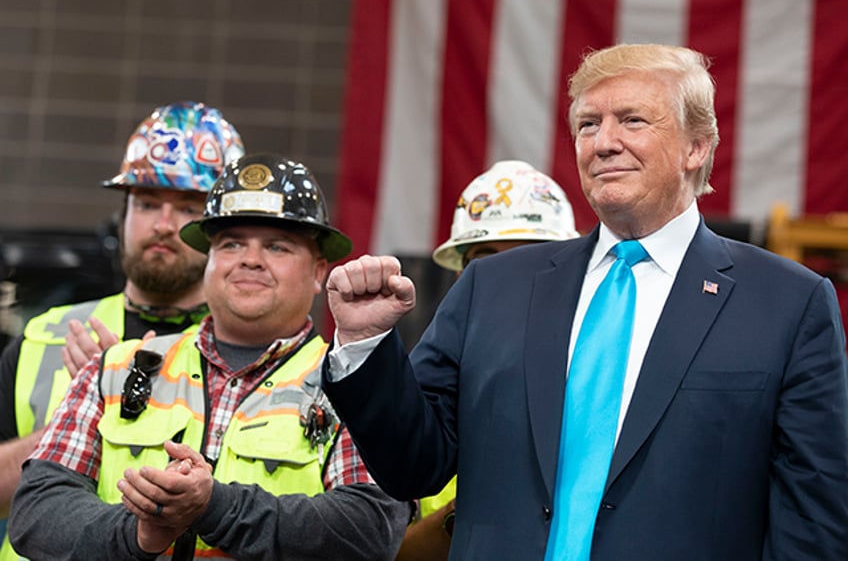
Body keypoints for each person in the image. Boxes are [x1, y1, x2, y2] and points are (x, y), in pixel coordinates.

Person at [321, 44, 848, 560]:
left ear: (697, 147)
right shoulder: (491, 287)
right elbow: (416, 466)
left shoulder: (788, 304)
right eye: (588, 125)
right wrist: (366, 345)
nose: (604, 143)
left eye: (633, 120)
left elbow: (814, 517)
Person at [8, 152, 411, 560]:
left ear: (319, 271)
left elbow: (370, 529)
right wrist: (140, 533)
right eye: (232, 243)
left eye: (277, 246)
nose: (250, 259)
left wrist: (215, 508)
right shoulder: (113, 368)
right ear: (209, 260)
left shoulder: (351, 386)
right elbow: (37, 513)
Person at [0, 101, 245, 561]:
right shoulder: (44, 337)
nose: (163, 225)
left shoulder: (249, 352)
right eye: (147, 203)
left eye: (188, 207)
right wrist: (79, 416)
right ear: (123, 212)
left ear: (221, 229)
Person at [397, 159, 578, 561]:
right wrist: (463, 517)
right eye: (485, 260)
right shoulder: (418, 385)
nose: (506, 276)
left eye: (531, 258)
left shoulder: (608, 379)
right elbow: (384, 551)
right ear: (462, 277)